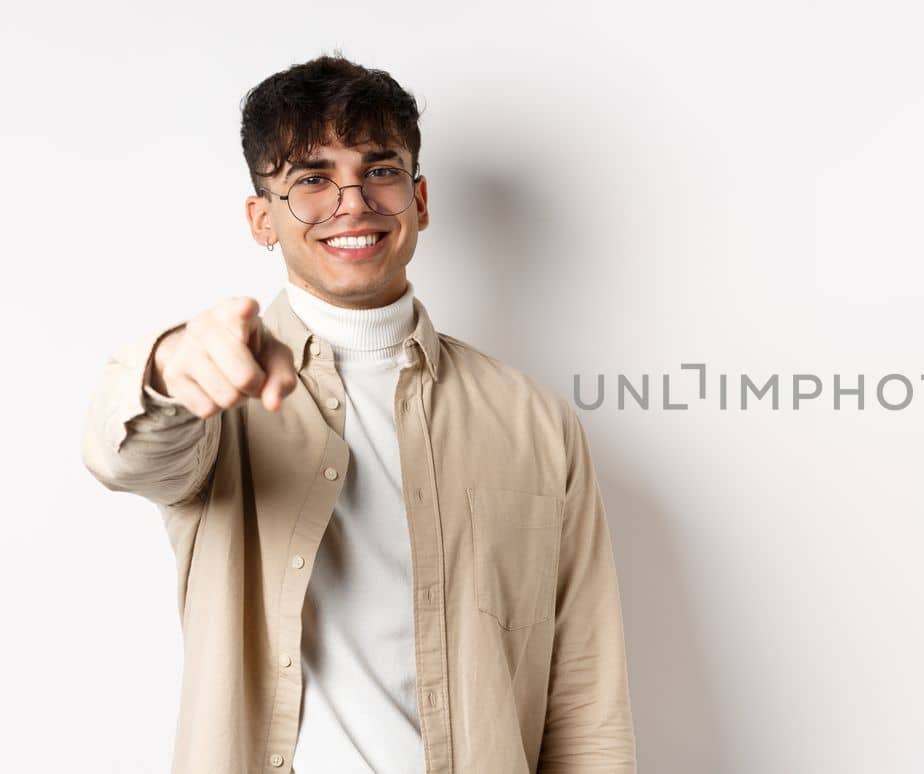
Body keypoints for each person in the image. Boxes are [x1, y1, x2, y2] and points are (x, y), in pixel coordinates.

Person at [79, 54, 637, 774]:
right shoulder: (218, 392)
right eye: (311, 179)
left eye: (380, 171)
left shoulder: (534, 419)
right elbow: (123, 454)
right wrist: (167, 367)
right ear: (262, 219)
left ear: (420, 199)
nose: (353, 203)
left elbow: (586, 697)